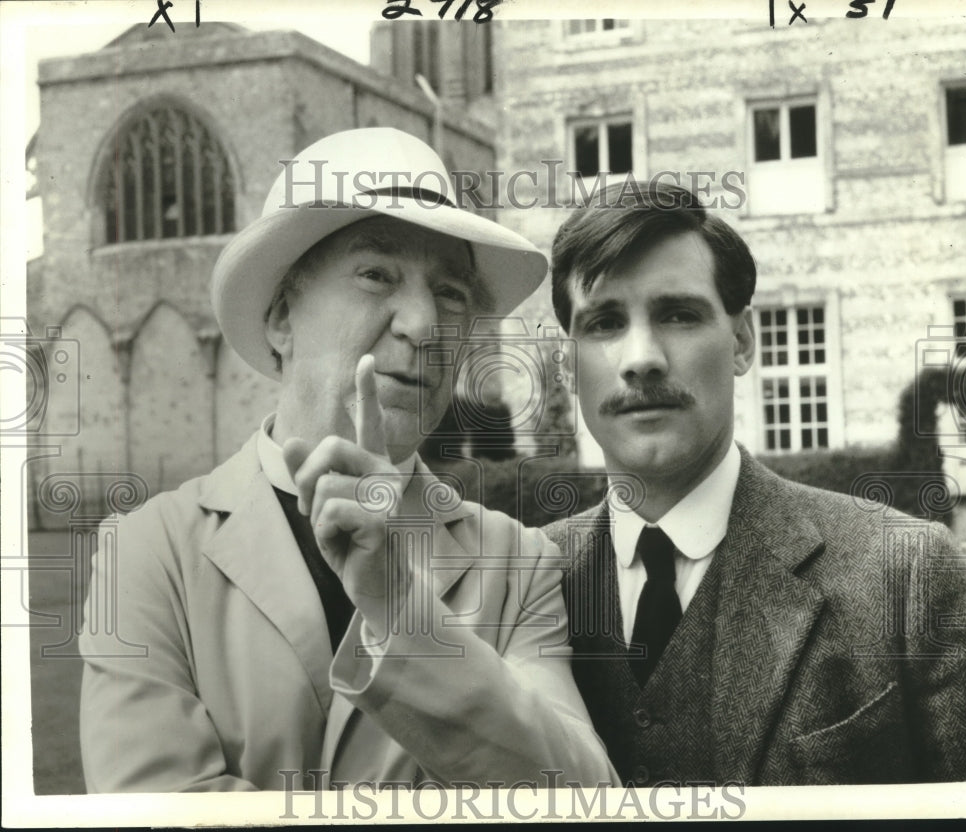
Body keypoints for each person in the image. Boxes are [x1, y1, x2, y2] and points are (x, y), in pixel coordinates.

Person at [78, 128, 617, 792]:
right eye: (375, 275)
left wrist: (398, 608)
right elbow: (154, 807)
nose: (422, 323)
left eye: (450, 293)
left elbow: (585, 796)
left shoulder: (518, 562)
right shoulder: (146, 552)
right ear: (281, 318)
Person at [543, 180, 966, 786]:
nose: (641, 357)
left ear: (743, 341)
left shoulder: (905, 575)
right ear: (568, 364)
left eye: (678, 314)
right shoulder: (523, 583)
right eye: (604, 323)